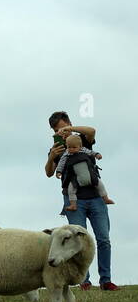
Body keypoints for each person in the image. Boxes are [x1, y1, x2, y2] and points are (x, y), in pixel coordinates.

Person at [44, 112, 116, 290]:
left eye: (62, 127)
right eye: (56, 130)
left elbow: (92, 130)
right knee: (77, 241)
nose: (59, 131)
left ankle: (106, 280)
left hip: (95, 196)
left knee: (104, 239)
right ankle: (84, 281)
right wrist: (51, 157)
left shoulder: (81, 139)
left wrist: (70, 130)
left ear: (68, 123)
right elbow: (48, 173)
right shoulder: (57, 148)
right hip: (72, 199)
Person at [55, 134, 114, 211]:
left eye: (74, 147)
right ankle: (73, 205)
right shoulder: (66, 154)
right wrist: (59, 171)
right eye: (69, 147)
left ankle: (106, 199)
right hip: (76, 178)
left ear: (80, 146)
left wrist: (97, 154)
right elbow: (61, 163)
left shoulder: (83, 150)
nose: (71, 149)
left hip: (89, 175)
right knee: (71, 189)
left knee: (99, 184)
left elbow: (91, 152)